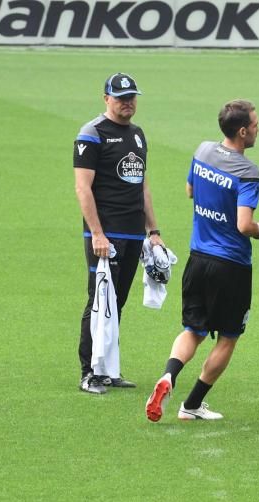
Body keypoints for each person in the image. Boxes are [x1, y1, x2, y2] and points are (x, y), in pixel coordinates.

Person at [145, 100, 259, 422]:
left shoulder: (202, 151)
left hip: (197, 259)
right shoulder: (248, 172)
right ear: (242, 131)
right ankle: (192, 404)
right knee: (228, 337)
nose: (258, 129)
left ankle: (169, 375)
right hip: (231, 266)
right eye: (255, 124)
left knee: (193, 329)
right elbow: (244, 224)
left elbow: (189, 190)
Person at [74, 72, 163, 395]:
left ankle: (107, 369)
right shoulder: (92, 134)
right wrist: (97, 234)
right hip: (105, 234)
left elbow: (143, 186)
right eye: (121, 97)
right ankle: (89, 372)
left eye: (131, 97)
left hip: (131, 234)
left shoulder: (138, 135)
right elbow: (83, 188)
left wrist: (153, 231)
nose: (127, 103)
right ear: (106, 98)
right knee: (99, 300)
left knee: (117, 301)